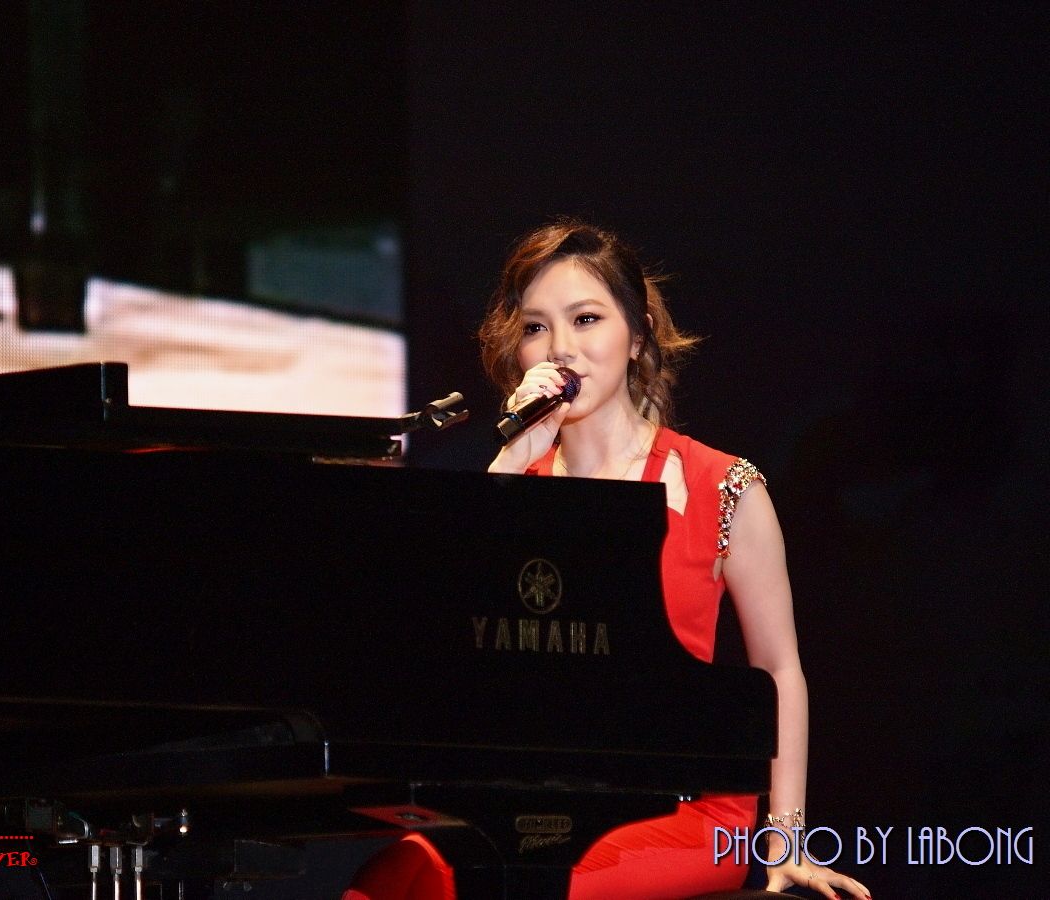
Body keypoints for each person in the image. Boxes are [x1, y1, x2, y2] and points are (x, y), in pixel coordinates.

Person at [344, 220, 870, 900]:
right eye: (536, 328)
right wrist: (509, 467)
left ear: (638, 335)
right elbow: (444, 639)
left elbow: (779, 670)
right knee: (390, 877)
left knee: (500, 884)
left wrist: (786, 837)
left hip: (682, 809)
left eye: (586, 319)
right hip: (536, 800)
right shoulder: (514, 484)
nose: (561, 348)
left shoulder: (722, 487)